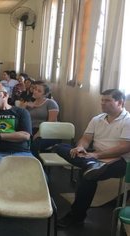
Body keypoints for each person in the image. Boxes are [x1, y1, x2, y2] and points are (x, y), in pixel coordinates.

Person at [55, 89, 130, 228]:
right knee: (60, 147)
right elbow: (86, 138)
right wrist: (80, 147)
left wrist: (96, 156)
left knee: (88, 176)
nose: (103, 103)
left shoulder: (128, 120)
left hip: (119, 161)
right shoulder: (97, 119)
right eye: (102, 100)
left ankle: (76, 217)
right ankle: (89, 163)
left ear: (120, 102)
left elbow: (125, 148)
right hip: (94, 156)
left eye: (107, 100)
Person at [24, 81, 59, 157]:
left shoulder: (50, 103)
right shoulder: (30, 103)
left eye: (39, 91)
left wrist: (39, 133)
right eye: (35, 89)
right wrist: (24, 106)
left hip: (48, 132)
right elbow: (21, 117)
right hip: (31, 130)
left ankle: (39, 167)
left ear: (45, 94)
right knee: (22, 144)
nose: (35, 92)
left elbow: (51, 122)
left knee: (33, 146)